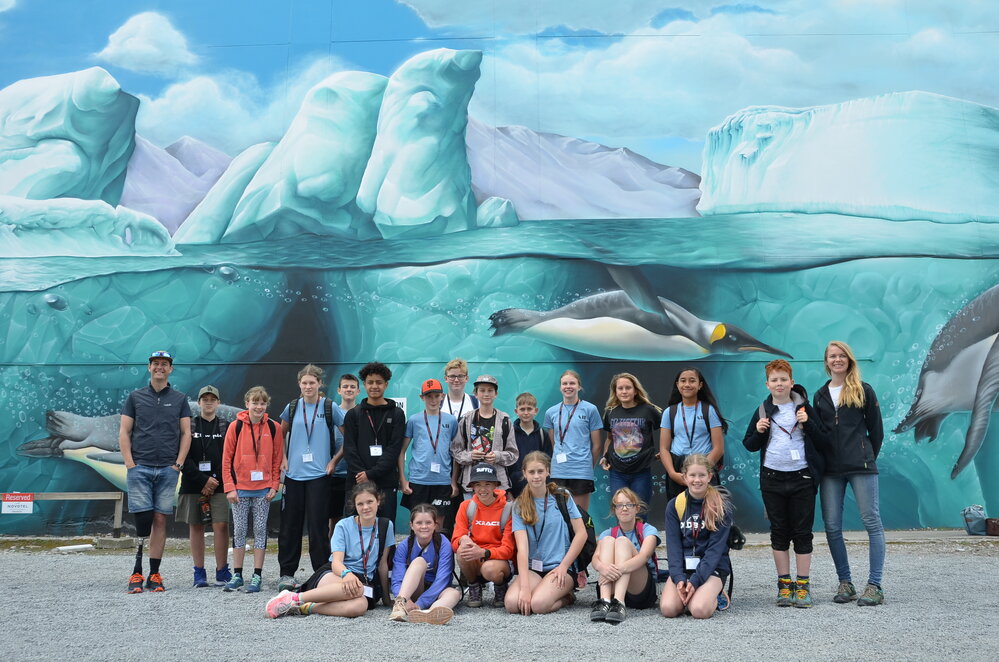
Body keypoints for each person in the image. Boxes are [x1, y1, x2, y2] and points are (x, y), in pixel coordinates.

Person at [742, 359, 825, 608]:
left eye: (783, 379)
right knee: (779, 533)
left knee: (802, 532)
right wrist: (758, 430)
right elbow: (749, 444)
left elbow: (823, 440)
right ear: (767, 384)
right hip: (772, 478)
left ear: (792, 381)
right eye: (774, 380)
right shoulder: (762, 411)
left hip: (802, 478)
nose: (779, 384)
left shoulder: (805, 409)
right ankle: (783, 584)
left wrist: (808, 424)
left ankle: (803, 585)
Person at [812, 341, 886, 606]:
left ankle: (875, 585)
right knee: (832, 526)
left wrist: (865, 454)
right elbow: (818, 434)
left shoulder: (863, 390)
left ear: (850, 360)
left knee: (871, 521)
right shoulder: (820, 395)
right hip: (830, 470)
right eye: (832, 356)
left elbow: (876, 431)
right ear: (826, 361)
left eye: (842, 355)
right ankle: (846, 582)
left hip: (861, 466)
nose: (837, 359)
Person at [119, 349, 192, 593]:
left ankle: (155, 573)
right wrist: (130, 463)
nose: (160, 367)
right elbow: (124, 432)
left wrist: (178, 464)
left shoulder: (180, 399)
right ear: (149, 367)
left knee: (160, 519)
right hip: (140, 468)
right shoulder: (135, 397)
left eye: (164, 364)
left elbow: (185, 434)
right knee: (142, 520)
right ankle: (136, 572)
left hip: (168, 470)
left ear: (171, 369)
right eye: (155, 363)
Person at [265, 482, 394, 618]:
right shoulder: (343, 526)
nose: (365, 507)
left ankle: (303, 608)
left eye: (370, 502)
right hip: (336, 573)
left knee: (360, 606)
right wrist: (347, 574)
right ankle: (294, 598)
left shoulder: (386, 525)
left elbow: (382, 565)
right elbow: (336, 562)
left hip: (363, 581)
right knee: (358, 589)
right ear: (355, 506)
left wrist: (386, 598)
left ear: (378, 501)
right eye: (360, 504)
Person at [277, 364, 346, 592]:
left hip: (319, 476)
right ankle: (286, 573)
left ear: (319, 384)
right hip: (294, 476)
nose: (308, 386)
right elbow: (280, 434)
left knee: (317, 528)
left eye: (312, 382)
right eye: (304, 383)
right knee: (290, 527)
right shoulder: (292, 407)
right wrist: (283, 459)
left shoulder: (329, 407)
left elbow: (350, 437)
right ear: (299, 384)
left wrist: (334, 461)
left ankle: (320, 573)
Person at [505, 451, 587, 615]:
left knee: (538, 606)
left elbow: (581, 534)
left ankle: (568, 597)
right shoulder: (519, 505)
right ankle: (541, 589)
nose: (536, 476)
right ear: (524, 473)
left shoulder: (562, 496)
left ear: (548, 471)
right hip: (533, 568)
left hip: (560, 567)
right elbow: (522, 549)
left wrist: (564, 566)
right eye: (532, 472)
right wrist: (525, 587)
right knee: (513, 604)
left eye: (540, 471)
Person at [221, 386, 284, 593]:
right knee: (239, 530)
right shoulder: (235, 427)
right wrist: (229, 487)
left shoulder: (274, 427)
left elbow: (277, 459)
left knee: (259, 530)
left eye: (262, 403)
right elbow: (226, 460)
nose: (258, 406)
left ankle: (257, 575)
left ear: (266, 405)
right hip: (239, 490)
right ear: (247, 403)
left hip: (263, 490)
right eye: (254, 402)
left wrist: (275, 485)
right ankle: (237, 574)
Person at [660, 455, 732, 619]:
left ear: (710, 476)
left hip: (712, 569)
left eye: (702, 475)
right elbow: (673, 547)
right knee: (668, 609)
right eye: (692, 475)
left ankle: (715, 594)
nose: (697, 480)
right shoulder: (674, 505)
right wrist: (678, 578)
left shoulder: (721, 506)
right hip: (684, 569)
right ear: (684, 477)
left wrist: (696, 580)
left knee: (699, 610)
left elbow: (715, 550)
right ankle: (696, 593)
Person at [178, 385, 230, 588]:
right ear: (198, 403)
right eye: (204, 399)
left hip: (218, 484)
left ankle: (222, 570)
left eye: (212, 399)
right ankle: (199, 573)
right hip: (193, 483)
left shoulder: (225, 426)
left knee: (221, 525)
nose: (208, 402)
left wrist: (213, 479)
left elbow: (228, 455)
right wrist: (202, 480)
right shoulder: (189, 426)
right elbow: (183, 455)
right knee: (196, 526)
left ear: (218, 402)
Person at [343, 362, 406, 523]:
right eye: (370, 382)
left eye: (379, 382)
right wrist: (362, 475)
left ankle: (385, 551)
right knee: (356, 528)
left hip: (385, 482)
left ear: (386, 384)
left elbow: (394, 449)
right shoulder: (353, 414)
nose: (374, 386)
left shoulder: (397, 414)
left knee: (385, 527)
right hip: (357, 482)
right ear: (364, 385)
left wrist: (370, 474)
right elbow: (349, 449)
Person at [590, 487, 659, 624]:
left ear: (637, 508)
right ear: (614, 510)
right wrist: (603, 568)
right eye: (620, 505)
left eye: (629, 504)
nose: (624, 508)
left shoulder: (648, 530)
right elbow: (595, 559)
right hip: (611, 586)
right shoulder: (607, 533)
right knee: (608, 540)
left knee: (622, 542)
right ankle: (605, 601)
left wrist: (617, 569)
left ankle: (619, 603)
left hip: (640, 589)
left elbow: (643, 556)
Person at [451, 463, 516, 608]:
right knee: (462, 551)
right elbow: (454, 542)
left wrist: (484, 552)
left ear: (495, 486)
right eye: (478, 484)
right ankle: (474, 586)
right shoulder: (466, 506)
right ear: (472, 487)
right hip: (474, 557)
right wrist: (463, 539)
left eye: (488, 484)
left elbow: (509, 550)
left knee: (490, 569)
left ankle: (501, 586)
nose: (482, 489)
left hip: (499, 561)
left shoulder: (508, 508)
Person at [399, 379, 460, 534]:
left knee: (438, 525)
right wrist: (403, 480)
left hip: (442, 481)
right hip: (418, 480)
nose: (433, 400)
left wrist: (453, 481)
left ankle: (437, 556)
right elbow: (401, 451)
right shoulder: (414, 420)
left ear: (442, 396)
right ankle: (415, 556)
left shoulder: (451, 420)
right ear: (422, 398)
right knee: (418, 524)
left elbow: (456, 452)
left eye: (436, 396)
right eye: (429, 396)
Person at [659, 367, 727, 500]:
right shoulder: (669, 412)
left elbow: (719, 448)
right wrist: (673, 474)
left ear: (700, 385)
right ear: (677, 385)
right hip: (678, 467)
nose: (687, 385)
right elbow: (663, 448)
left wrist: (702, 472)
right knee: (679, 511)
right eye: (683, 381)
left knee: (708, 512)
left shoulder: (709, 410)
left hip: (705, 466)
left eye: (692, 381)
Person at [389, 504, 461, 624]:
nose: (424, 526)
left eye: (428, 522)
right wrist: (407, 600)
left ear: (435, 525)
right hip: (413, 590)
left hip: (436, 590)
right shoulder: (405, 545)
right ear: (411, 525)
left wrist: (420, 604)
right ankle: (400, 605)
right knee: (419, 561)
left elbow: (443, 579)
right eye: (419, 523)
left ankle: (428, 613)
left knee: (454, 593)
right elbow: (397, 579)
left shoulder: (443, 543)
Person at [543, 370, 603, 511]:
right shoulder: (551, 412)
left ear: (579, 386)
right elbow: (554, 443)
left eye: (572, 383)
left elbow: (597, 445)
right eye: (565, 383)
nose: (568, 386)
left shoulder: (590, 410)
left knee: (581, 515)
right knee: (560, 514)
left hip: (581, 470)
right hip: (558, 470)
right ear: (560, 387)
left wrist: (588, 466)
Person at [600, 374, 661, 509]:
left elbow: (665, 430)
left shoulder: (648, 410)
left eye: (628, 388)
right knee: (620, 510)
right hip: (617, 472)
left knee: (640, 510)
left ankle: (640, 531)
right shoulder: (610, 412)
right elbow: (610, 437)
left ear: (635, 390)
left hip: (641, 470)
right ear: (615, 392)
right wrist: (605, 456)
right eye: (620, 388)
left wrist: (664, 451)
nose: (624, 391)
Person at [451, 375, 519, 497]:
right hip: (471, 483)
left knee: (496, 516)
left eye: (490, 390)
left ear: (496, 394)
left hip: (497, 483)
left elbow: (513, 454)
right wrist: (470, 455)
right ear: (475, 394)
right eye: (482, 390)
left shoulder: (504, 420)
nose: (486, 394)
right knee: (472, 515)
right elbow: (455, 450)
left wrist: (497, 456)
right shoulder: (466, 419)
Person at [329, 374, 359, 533]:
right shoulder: (332, 414)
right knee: (333, 517)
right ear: (339, 390)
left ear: (358, 391)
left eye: (352, 387)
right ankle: (333, 552)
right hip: (334, 474)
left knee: (353, 517)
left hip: (354, 475)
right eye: (345, 386)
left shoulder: (362, 413)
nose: (349, 389)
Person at [509, 392, 552, 497]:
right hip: (516, 488)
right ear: (516, 411)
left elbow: (548, 462)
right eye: (522, 409)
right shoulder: (509, 434)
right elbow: (505, 464)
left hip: (538, 487)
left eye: (529, 409)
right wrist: (507, 490)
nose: (526, 412)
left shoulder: (543, 435)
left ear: (535, 411)